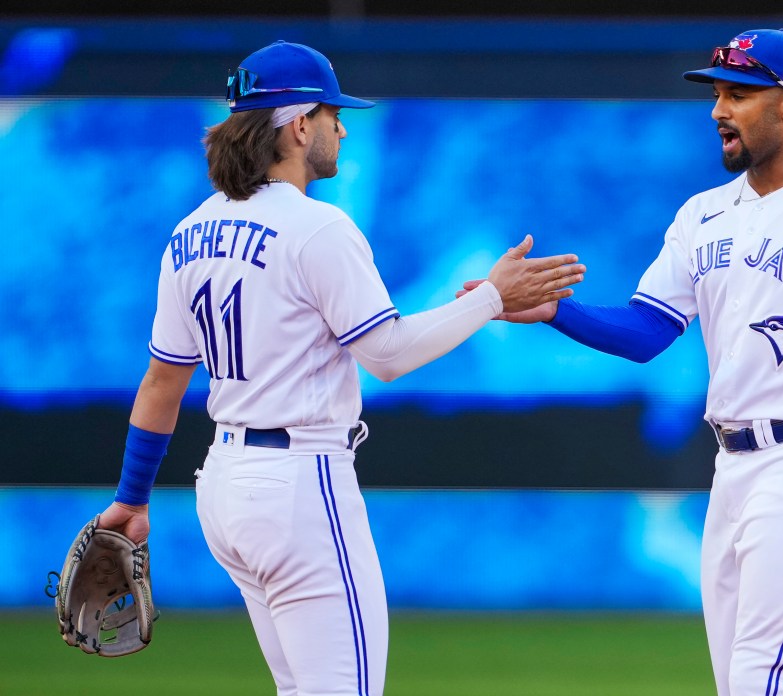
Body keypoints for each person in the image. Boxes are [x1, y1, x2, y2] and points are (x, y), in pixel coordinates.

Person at [463, 28, 783, 695]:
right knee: (740, 681)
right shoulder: (702, 215)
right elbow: (649, 330)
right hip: (732, 468)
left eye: (739, 94)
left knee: (770, 675)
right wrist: (558, 313)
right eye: (717, 95)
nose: (718, 111)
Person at [95, 40, 585, 696]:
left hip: (224, 484)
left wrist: (132, 497)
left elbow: (161, 382)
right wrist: (493, 298)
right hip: (299, 485)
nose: (342, 127)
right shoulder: (316, 228)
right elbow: (388, 355)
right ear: (298, 125)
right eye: (331, 113)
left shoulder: (190, 233)